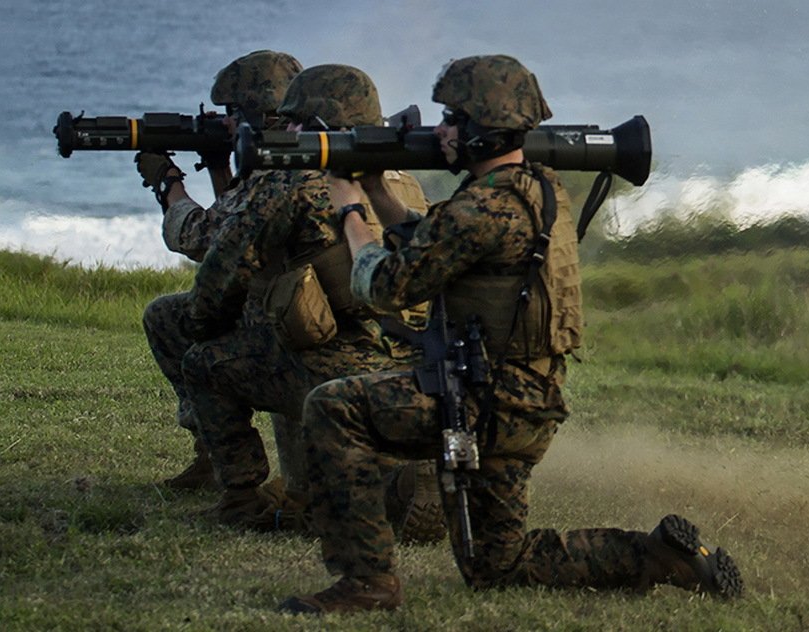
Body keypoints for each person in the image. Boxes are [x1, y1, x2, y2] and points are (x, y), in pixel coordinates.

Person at [280, 55, 740, 615]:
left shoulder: (484, 206)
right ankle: (658, 556)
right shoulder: (537, 190)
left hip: (483, 404)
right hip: (528, 401)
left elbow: (383, 285)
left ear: (480, 131)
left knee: (334, 407)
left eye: (452, 118)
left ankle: (367, 583)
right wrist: (377, 189)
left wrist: (349, 206)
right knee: (497, 565)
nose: (440, 130)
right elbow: (437, 243)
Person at [179, 63, 434, 532]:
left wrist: (205, 324)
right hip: (416, 362)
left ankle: (242, 498)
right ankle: (388, 482)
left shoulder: (288, 179)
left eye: (292, 119)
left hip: (342, 366)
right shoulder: (402, 178)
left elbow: (217, 281)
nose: (286, 128)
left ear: (313, 123)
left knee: (204, 361)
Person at [138, 49, 302, 490]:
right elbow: (242, 222)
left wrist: (168, 184)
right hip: (322, 318)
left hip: (292, 336)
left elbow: (203, 238)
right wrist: (219, 166)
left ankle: (229, 475)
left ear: (253, 115)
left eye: (231, 114)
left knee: (179, 326)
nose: (224, 122)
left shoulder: (275, 177)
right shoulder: (328, 158)